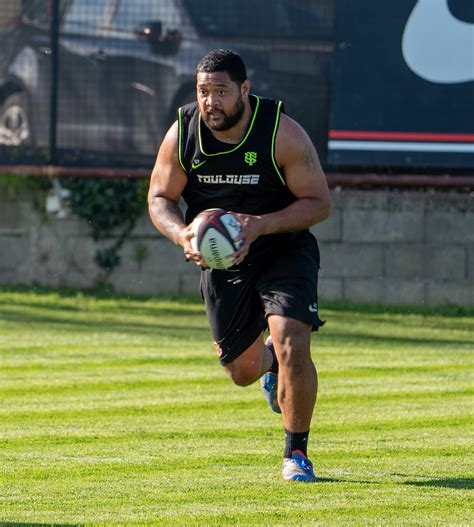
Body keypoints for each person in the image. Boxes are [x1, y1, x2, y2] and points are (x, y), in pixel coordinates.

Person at [148, 49, 331, 482]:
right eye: (203, 91)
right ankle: (269, 366)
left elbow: (320, 203)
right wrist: (183, 235)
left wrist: (261, 225)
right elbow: (159, 198)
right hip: (221, 261)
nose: (211, 101)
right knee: (241, 372)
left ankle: (297, 452)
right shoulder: (184, 134)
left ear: (244, 90)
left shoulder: (281, 133)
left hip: (283, 248)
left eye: (221, 91)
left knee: (292, 340)